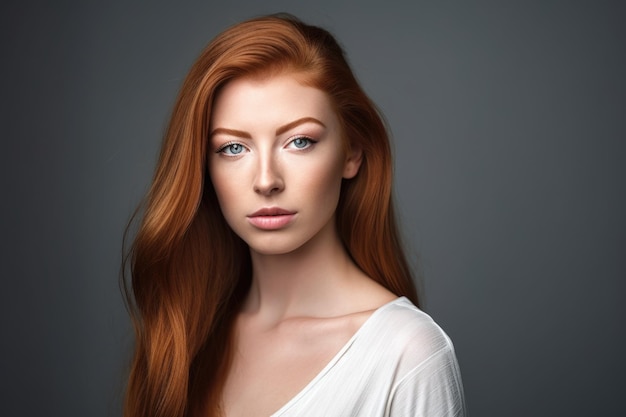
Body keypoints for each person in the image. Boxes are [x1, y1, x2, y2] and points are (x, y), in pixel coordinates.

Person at [122, 13, 466, 417]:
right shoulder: (186, 337)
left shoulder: (409, 354)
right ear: (203, 166)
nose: (266, 180)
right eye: (234, 148)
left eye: (299, 141)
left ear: (352, 152)